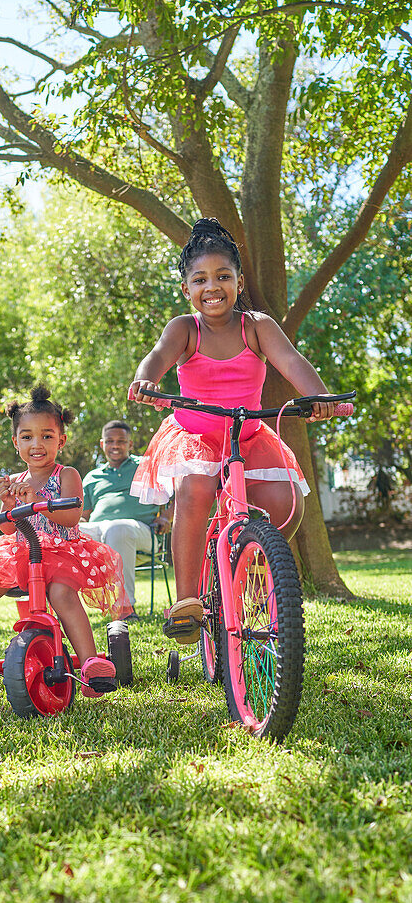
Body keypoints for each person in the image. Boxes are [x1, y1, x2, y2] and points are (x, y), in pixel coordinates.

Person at [130, 217, 337, 642]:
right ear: (186, 289)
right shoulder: (184, 328)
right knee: (196, 492)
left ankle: (258, 568)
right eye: (200, 279)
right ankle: (187, 602)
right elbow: (156, 356)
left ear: (239, 283)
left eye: (223, 276)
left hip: (247, 433)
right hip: (196, 435)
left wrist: (318, 396)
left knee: (286, 501)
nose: (213, 286)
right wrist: (147, 380)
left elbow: (292, 361)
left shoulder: (257, 326)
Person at [0, 385, 126, 707]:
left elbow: (71, 516)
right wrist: (7, 501)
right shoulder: (14, 479)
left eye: (47, 436)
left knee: (61, 594)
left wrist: (38, 499)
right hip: (21, 552)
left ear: (61, 441)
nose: (36, 444)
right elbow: (9, 527)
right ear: (16, 442)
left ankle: (91, 662)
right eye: (27, 437)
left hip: (61, 551)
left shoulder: (66, 474)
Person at [80, 420, 170, 620]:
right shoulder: (92, 477)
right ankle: (60, 609)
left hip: (142, 531)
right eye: (110, 441)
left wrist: (165, 516)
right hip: (97, 529)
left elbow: (178, 494)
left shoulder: (147, 466)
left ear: (130, 444)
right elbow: (84, 516)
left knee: (118, 528)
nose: (115, 445)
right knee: (63, 532)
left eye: (121, 441)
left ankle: (124, 607)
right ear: (102, 444)